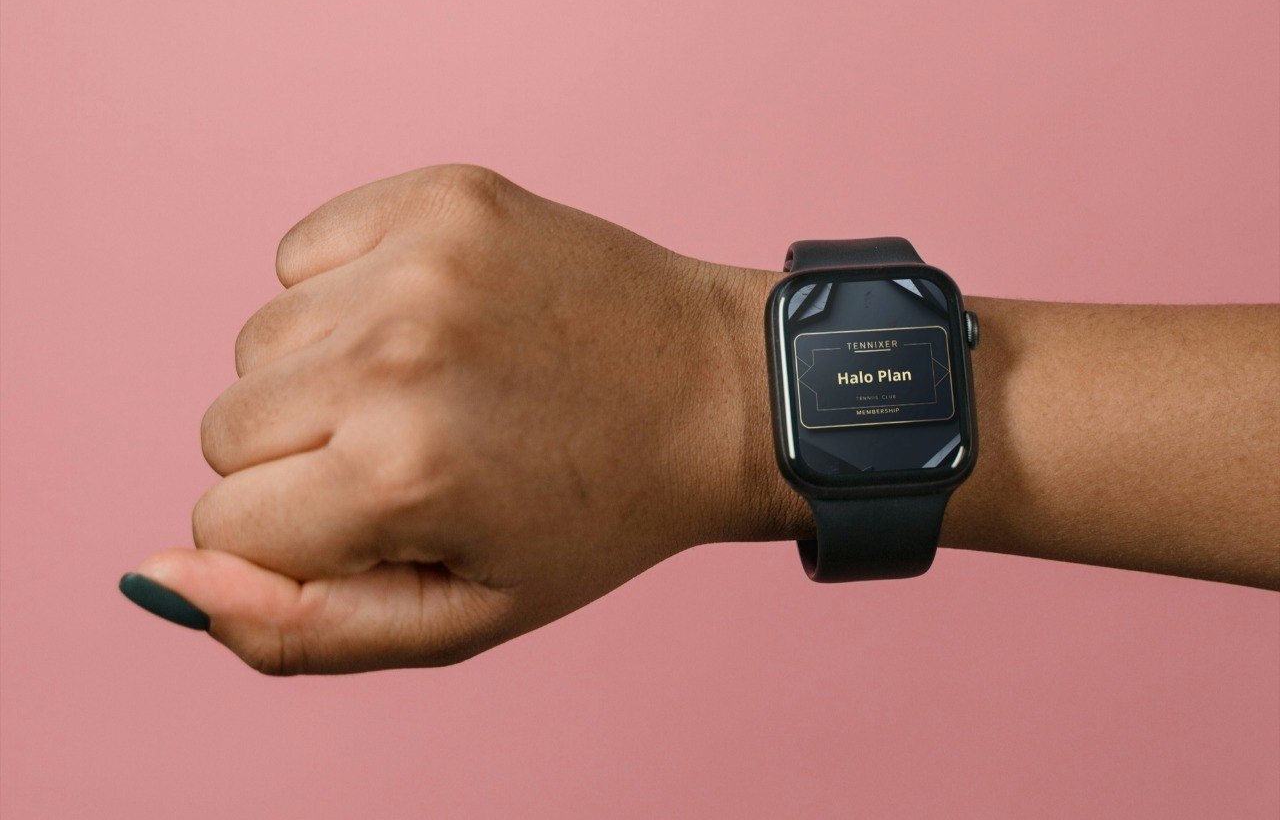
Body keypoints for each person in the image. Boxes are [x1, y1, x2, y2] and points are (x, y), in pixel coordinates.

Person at [117, 164, 1280, 675]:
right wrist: (718, 371)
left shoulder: (871, 345)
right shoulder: (904, 329)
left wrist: (723, 384)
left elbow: (748, 379)